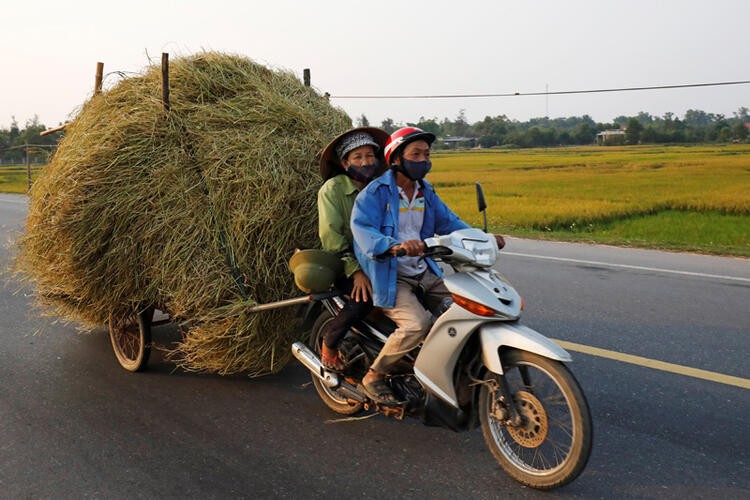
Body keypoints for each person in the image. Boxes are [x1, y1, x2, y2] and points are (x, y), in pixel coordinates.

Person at [351, 127, 505, 403]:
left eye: (427, 154)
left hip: (424, 270)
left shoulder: (426, 192)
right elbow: (364, 231)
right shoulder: (375, 194)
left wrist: (483, 238)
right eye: (416, 154)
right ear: (396, 159)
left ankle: (439, 368)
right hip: (390, 275)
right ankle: (374, 375)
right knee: (417, 324)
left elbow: (450, 222)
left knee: (467, 309)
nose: (423, 160)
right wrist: (392, 245)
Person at [316, 127, 390, 371]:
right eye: (357, 157)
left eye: (370, 156)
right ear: (345, 162)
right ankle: (331, 340)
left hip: (378, 257)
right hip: (344, 262)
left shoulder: (380, 188)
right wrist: (355, 271)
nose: (365, 162)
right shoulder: (333, 190)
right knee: (364, 297)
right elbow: (331, 236)